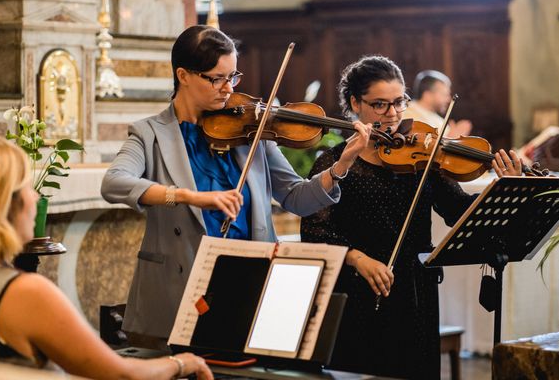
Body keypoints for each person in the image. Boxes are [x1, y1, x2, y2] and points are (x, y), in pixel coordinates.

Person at [101, 25, 370, 343]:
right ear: (184, 75)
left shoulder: (251, 131)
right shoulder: (149, 133)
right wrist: (190, 196)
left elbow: (297, 199)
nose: (228, 88)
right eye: (217, 78)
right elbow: (114, 183)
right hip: (179, 284)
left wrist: (342, 165)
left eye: (233, 77)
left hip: (249, 280)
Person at [301, 56, 521, 379]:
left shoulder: (423, 158)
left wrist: (505, 187)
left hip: (416, 294)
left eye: (399, 102)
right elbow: (315, 230)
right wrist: (358, 259)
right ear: (354, 103)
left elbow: (458, 210)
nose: (392, 115)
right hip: (358, 293)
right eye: (380, 105)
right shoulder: (334, 163)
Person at [0, 137, 213, 380]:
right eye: (27, 188)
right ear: (7, 203)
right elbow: (120, 374)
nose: (35, 198)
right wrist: (181, 363)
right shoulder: (24, 293)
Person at [404, 69, 473, 137]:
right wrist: (451, 137)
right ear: (427, 95)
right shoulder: (408, 113)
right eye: (444, 94)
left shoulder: (440, 121)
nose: (448, 99)